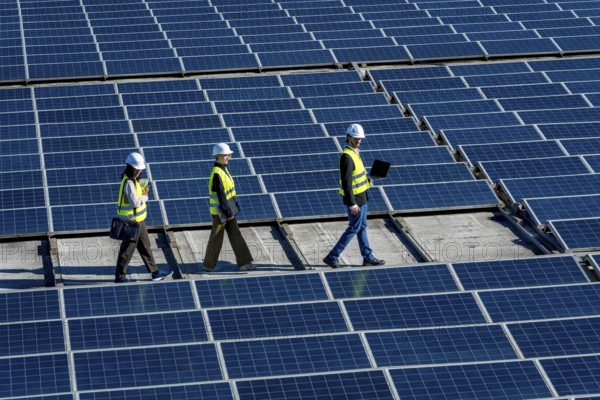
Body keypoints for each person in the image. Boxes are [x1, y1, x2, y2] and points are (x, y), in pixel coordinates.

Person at [323, 124, 386, 268]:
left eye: (360, 139)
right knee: (354, 227)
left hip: (362, 196)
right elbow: (346, 182)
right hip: (355, 199)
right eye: (355, 138)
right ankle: (332, 256)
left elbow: (358, 177)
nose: (358, 141)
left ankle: (368, 257)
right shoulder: (347, 157)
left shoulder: (356, 153)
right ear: (348, 137)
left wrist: (372, 178)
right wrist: (352, 204)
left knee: (361, 226)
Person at [114, 152, 173, 283]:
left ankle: (155, 272)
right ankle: (120, 277)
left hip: (138, 221)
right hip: (131, 222)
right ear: (130, 167)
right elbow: (135, 202)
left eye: (140, 169)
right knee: (127, 251)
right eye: (137, 169)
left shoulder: (133, 181)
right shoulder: (128, 183)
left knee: (145, 246)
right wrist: (146, 195)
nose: (139, 171)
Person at [203, 143, 255, 272]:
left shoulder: (224, 169)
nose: (228, 157)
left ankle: (244, 263)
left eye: (228, 155)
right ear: (218, 156)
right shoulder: (216, 173)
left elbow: (228, 192)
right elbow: (220, 196)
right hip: (221, 212)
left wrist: (233, 208)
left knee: (235, 234)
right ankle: (208, 265)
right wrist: (228, 212)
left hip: (229, 209)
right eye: (226, 155)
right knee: (217, 237)